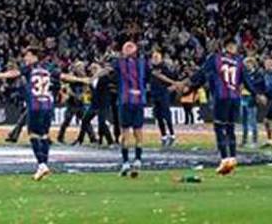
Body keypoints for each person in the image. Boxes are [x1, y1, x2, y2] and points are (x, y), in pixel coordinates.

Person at [0, 46, 91, 180]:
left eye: (27, 56)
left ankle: (41, 164)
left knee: (33, 134)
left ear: (34, 56)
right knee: (44, 135)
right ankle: (44, 164)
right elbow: (64, 76)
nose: (25, 58)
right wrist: (82, 80)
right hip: (48, 105)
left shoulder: (30, 68)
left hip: (35, 105)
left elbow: (14, 73)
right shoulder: (48, 68)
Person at [176, 41, 262, 176]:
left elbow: (202, 73)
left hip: (221, 98)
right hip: (235, 98)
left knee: (219, 127)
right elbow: (247, 81)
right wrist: (256, 94)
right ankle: (233, 158)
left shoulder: (215, 58)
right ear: (233, 48)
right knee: (230, 128)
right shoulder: (239, 61)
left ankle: (224, 159)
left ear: (224, 47)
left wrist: (187, 83)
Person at [96, 42, 180, 178]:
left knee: (133, 132)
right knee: (130, 133)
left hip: (131, 102)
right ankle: (131, 161)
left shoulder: (134, 63)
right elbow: (106, 70)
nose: (127, 49)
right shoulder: (127, 63)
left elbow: (156, 74)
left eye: (129, 47)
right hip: (130, 101)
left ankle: (133, 161)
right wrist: (92, 77)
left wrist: (172, 82)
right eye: (126, 47)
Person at [148, 51, 178, 148]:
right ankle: (163, 136)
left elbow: (172, 77)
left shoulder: (164, 68)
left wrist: (172, 85)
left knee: (166, 115)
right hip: (154, 94)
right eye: (154, 57)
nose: (155, 59)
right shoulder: (149, 69)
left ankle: (172, 135)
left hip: (163, 94)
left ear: (161, 58)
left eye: (157, 57)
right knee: (158, 116)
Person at [57, 62, 90, 144]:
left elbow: (86, 87)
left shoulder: (83, 76)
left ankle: (92, 138)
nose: (82, 69)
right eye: (80, 67)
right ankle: (60, 138)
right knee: (67, 121)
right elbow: (66, 87)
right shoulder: (71, 75)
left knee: (86, 120)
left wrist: (82, 94)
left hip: (80, 102)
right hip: (71, 102)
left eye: (82, 67)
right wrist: (74, 95)